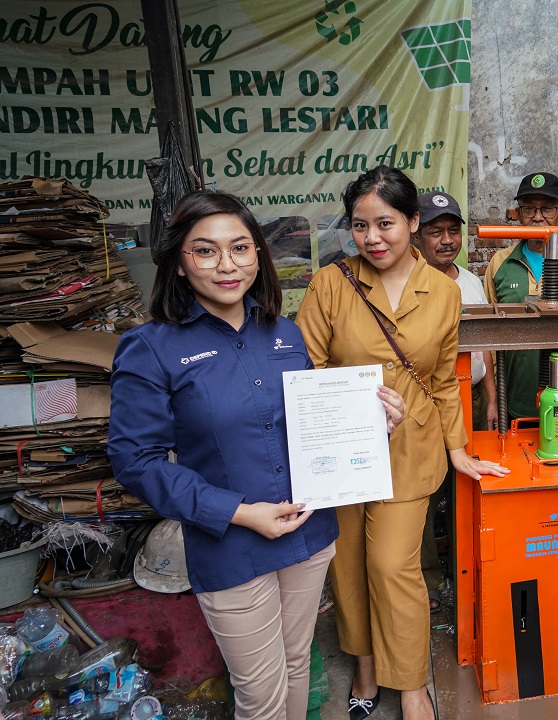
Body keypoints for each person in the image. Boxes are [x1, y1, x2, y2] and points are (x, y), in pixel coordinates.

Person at [108, 190, 406, 720]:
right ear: (179, 262)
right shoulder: (151, 347)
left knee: (296, 664)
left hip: (309, 534)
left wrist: (371, 425)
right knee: (260, 694)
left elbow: (309, 430)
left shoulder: (284, 333)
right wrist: (240, 513)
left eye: (241, 248)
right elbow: (136, 461)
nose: (227, 264)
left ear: (258, 256)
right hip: (232, 545)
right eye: (206, 250)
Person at [296, 166, 508, 720]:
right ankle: (365, 665)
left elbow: (440, 380)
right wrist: (354, 401)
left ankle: (411, 686)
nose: (373, 238)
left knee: (392, 566)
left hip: (409, 452)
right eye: (361, 226)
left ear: (412, 223)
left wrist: (458, 449)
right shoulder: (330, 284)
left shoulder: (442, 291)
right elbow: (305, 373)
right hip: (339, 452)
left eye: (385, 223)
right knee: (346, 566)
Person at [412, 190, 497, 611]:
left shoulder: (471, 281)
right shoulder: (407, 284)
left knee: (468, 485)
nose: (446, 240)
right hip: (428, 406)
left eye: (452, 231)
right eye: (435, 232)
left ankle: (471, 564)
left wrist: (492, 399)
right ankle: (428, 580)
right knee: (425, 495)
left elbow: (486, 350)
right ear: (417, 235)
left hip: (472, 402)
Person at [484, 171, 558, 420]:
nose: (537, 217)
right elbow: (489, 338)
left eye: (547, 209)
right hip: (515, 399)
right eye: (529, 209)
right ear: (518, 215)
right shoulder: (499, 263)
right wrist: (494, 398)